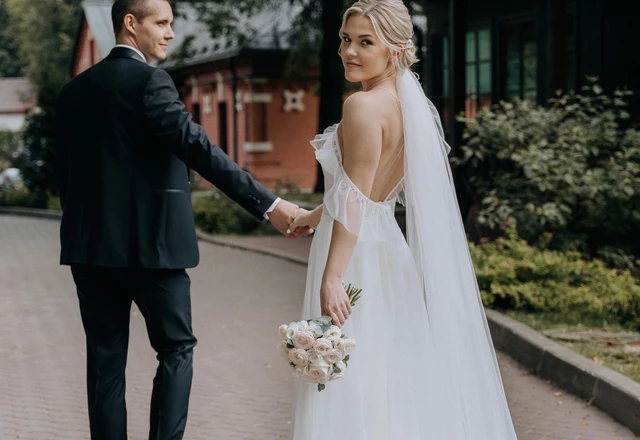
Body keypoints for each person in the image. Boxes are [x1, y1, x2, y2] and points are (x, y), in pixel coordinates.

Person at [55, 0, 309, 438]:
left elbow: (67, 175)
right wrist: (270, 205)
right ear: (131, 24)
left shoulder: (75, 91)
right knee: (176, 349)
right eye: (163, 22)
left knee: (104, 364)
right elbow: (199, 149)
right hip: (155, 249)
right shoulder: (153, 82)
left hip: (90, 250)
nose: (171, 32)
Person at [287, 1, 519, 438]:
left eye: (365, 42)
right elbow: (369, 190)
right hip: (388, 250)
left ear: (394, 49)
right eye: (345, 39)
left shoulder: (362, 106)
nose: (349, 51)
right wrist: (315, 215)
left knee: (353, 381)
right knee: (392, 374)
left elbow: (356, 197)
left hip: (354, 254)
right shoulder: (406, 105)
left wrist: (333, 276)